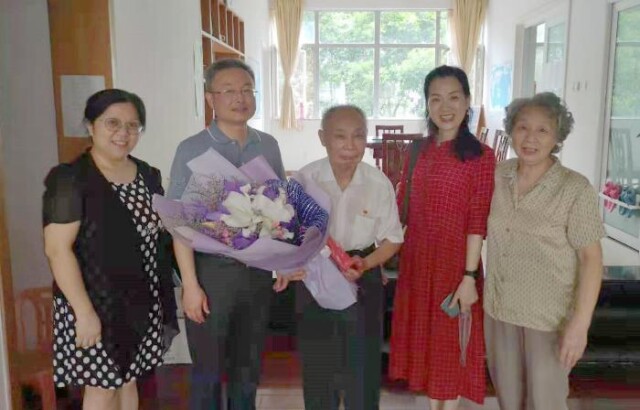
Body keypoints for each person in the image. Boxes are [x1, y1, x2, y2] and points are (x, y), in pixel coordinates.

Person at [167, 59, 291, 409]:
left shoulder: (268, 145)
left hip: (256, 272)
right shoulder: (192, 148)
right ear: (210, 98)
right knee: (207, 371)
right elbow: (179, 222)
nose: (241, 98)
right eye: (229, 90)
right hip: (212, 273)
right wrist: (190, 286)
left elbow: (280, 205)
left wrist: (283, 260)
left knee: (248, 368)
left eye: (247, 89)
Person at [43, 89, 178, 410]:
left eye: (133, 125)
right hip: (94, 302)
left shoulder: (147, 174)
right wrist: (84, 313)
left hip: (142, 299)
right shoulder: (71, 179)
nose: (123, 133)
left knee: (129, 380)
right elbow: (57, 251)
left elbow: (163, 233)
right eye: (112, 123)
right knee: (103, 388)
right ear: (91, 126)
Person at [484, 92, 605, 410]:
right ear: (511, 130)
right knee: (509, 401)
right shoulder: (498, 175)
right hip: (499, 311)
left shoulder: (574, 188)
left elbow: (591, 259)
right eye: (523, 127)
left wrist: (580, 324)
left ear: (557, 137)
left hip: (548, 319)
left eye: (543, 130)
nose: (531, 138)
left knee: (545, 403)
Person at [389, 65, 496, 409]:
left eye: (454, 97)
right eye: (435, 99)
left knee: (450, 347)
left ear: (467, 101)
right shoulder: (417, 150)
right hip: (418, 264)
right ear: (426, 104)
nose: (445, 107)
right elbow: (401, 206)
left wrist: (469, 277)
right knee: (427, 348)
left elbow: (477, 221)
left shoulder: (481, 156)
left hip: (455, 267)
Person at [296, 105, 403, 410]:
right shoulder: (305, 179)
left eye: (358, 136)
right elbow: (287, 234)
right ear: (323, 138)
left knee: (363, 365)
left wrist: (367, 263)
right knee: (318, 365)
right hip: (314, 274)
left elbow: (393, 239)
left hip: (362, 272)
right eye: (340, 136)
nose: (350, 145)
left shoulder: (377, 183)